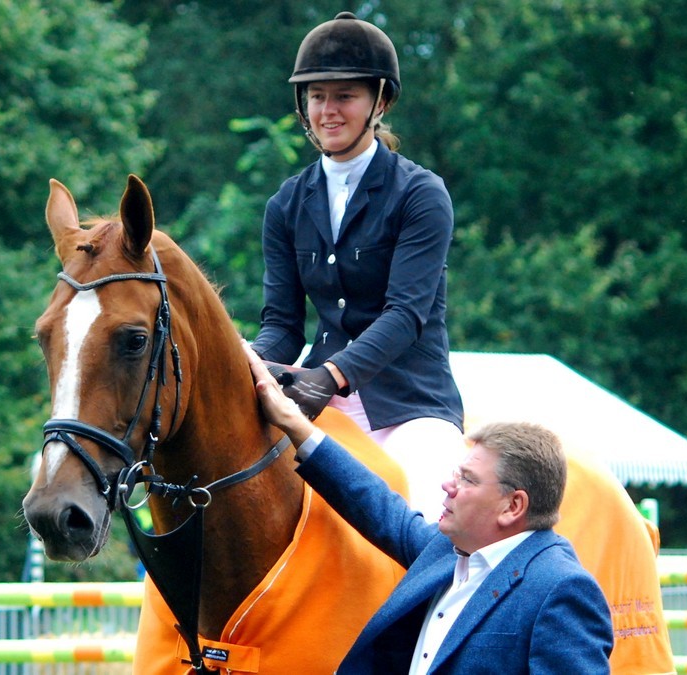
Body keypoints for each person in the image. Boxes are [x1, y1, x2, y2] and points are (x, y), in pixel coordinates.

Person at [244, 343, 613, 673]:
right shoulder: (446, 551)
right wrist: (292, 423)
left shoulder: (561, 589)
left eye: (468, 480)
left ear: (512, 506)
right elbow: (373, 503)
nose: (448, 486)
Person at [250, 11, 464, 521]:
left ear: (380, 101)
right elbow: (282, 325)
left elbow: (406, 315)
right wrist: (252, 363)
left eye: (344, 95)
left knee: (434, 523)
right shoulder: (286, 204)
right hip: (320, 401)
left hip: (410, 405)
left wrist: (332, 374)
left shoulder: (419, 193)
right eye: (317, 96)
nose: (328, 110)